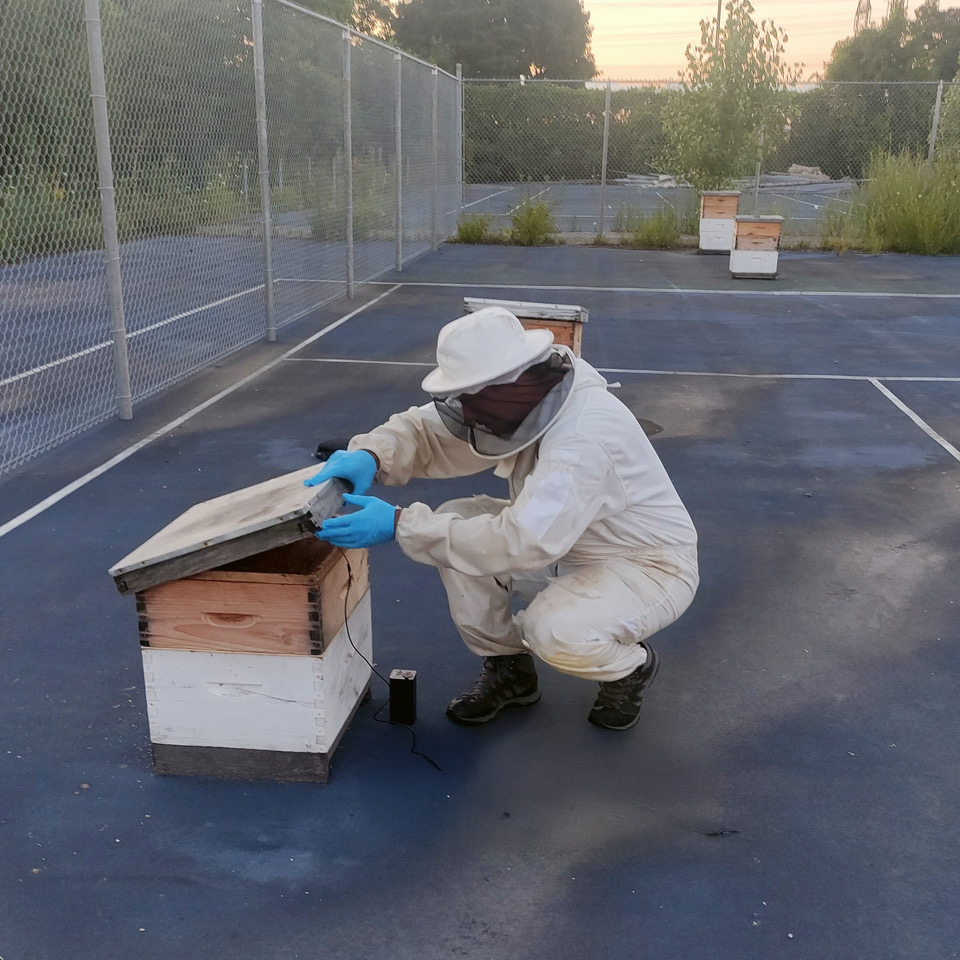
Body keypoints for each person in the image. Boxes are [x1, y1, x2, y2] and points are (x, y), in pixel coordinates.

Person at [305, 306, 699, 731]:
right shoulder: (524, 394)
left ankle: (630, 667)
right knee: (456, 520)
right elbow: (425, 429)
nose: (468, 414)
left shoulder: (583, 440)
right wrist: (372, 453)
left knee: (555, 632)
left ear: (506, 384)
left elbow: (523, 541)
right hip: (566, 542)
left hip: (645, 566)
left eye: (472, 401)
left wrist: (401, 525)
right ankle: (509, 670)